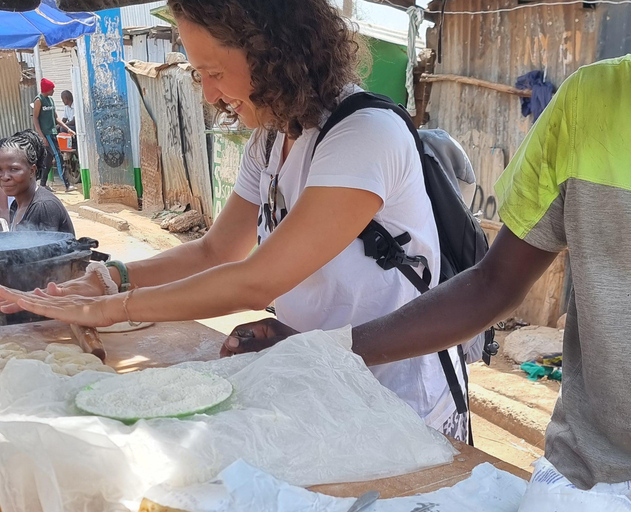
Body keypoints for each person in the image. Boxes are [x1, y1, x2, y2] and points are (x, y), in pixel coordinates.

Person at [208, 0, 631, 510]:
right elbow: (492, 284)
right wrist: (322, 351)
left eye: (214, 72)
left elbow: (251, 273)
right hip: (589, 488)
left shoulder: (366, 131)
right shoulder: (590, 107)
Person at [0, 0, 469, 441]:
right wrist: (113, 278)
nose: (208, 93)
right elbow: (215, 250)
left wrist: (114, 308)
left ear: (274, 54)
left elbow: (256, 281)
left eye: (215, 72)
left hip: (397, 397)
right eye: (199, 73)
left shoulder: (364, 135)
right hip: (319, 378)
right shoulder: (269, 141)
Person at [0, 131, 75, 235]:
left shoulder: (42, 207)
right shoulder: (16, 205)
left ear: (32, 170)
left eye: (14, 169)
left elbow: (37, 251)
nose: (5, 177)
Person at [33, 78, 76, 192]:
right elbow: (35, 119)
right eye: (52, 89)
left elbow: (56, 118)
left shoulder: (51, 101)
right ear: (47, 89)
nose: (53, 91)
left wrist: (67, 129)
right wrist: (42, 136)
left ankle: (42, 185)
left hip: (52, 133)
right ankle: (67, 184)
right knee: (58, 156)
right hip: (46, 134)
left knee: (48, 159)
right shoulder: (39, 100)